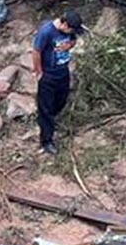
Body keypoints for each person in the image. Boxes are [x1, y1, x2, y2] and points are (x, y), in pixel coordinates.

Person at [30, 9, 85, 155]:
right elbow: (36, 51)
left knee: (62, 99)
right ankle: (46, 140)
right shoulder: (46, 32)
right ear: (64, 24)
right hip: (48, 75)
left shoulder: (69, 31)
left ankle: (49, 119)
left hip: (63, 72)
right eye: (71, 29)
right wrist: (38, 71)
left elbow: (73, 40)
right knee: (45, 108)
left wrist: (69, 45)